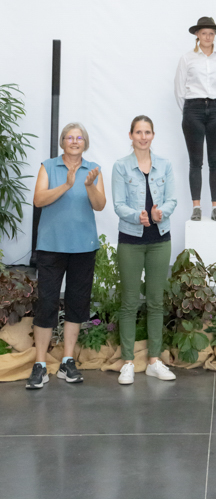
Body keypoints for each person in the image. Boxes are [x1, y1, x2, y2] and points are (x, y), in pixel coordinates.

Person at [26, 123, 106, 390]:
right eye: (69, 137)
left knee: (76, 304)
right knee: (47, 302)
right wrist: (67, 185)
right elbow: (38, 199)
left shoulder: (93, 169)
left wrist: (89, 185)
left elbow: (100, 205)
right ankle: (39, 364)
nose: (74, 141)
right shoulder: (48, 167)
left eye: (79, 137)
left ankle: (67, 361)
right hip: (51, 247)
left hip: (83, 247)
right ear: (62, 142)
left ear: (85, 142)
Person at [112, 116, 178, 385]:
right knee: (129, 302)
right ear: (131, 135)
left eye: (147, 132)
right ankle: (128, 362)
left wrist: (162, 213)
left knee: (155, 302)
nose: (143, 137)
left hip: (160, 239)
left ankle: (154, 361)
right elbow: (118, 204)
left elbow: (172, 199)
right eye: (138, 132)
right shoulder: (121, 166)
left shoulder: (165, 165)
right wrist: (135, 216)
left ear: (153, 135)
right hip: (131, 239)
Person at [174, 17, 216, 222]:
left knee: (215, 160)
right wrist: (189, 111)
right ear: (197, 35)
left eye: (211, 33)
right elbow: (179, 89)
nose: (207, 37)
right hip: (193, 109)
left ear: (215, 35)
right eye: (204, 33)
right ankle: (196, 207)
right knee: (195, 161)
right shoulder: (187, 58)